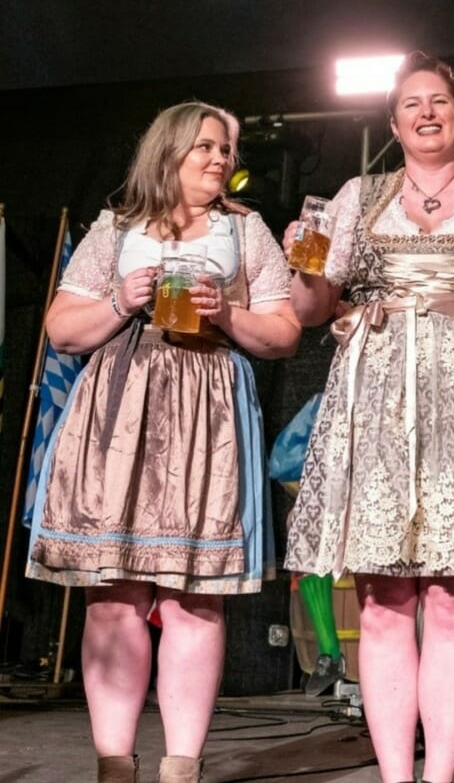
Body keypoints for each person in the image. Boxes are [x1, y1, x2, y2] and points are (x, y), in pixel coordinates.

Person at [281, 52, 454, 783]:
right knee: (381, 599)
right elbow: (310, 313)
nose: (427, 112)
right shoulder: (355, 196)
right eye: (412, 103)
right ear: (394, 122)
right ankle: (397, 776)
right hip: (374, 403)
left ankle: (440, 777)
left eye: (440, 101)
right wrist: (299, 269)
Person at [26, 101, 300, 783]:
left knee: (193, 596)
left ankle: (182, 769)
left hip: (206, 406)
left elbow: (285, 330)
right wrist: (119, 301)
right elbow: (61, 327)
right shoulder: (118, 225)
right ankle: (115, 766)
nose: (220, 159)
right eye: (205, 147)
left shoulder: (246, 229)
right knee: (113, 593)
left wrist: (228, 313)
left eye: (226, 149)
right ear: (169, 152)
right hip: (120, 409)